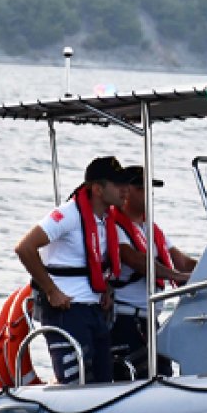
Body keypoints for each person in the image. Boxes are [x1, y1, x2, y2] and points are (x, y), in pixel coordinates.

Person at [14, 156, 130, 384]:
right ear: (98, 189)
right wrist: (52, 291)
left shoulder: (105, 220)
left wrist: (106, 288)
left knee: (104, 382)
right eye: (118, 184)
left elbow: (94, 262)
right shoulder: (68, 214)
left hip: (94, 311)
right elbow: (24, 247)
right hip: (66, 310)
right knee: (76, 384)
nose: (125, 189)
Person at [107, 165, 198, 378]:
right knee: (131, 378)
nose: (149, 194)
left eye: (151, 189)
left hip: (151, 321)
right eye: (143, 188)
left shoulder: (152, 230)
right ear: (126, 191)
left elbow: (182, 262)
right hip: (125, 319)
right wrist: (176, 276)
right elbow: (135, 260)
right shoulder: (114, 228)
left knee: (163, 374)